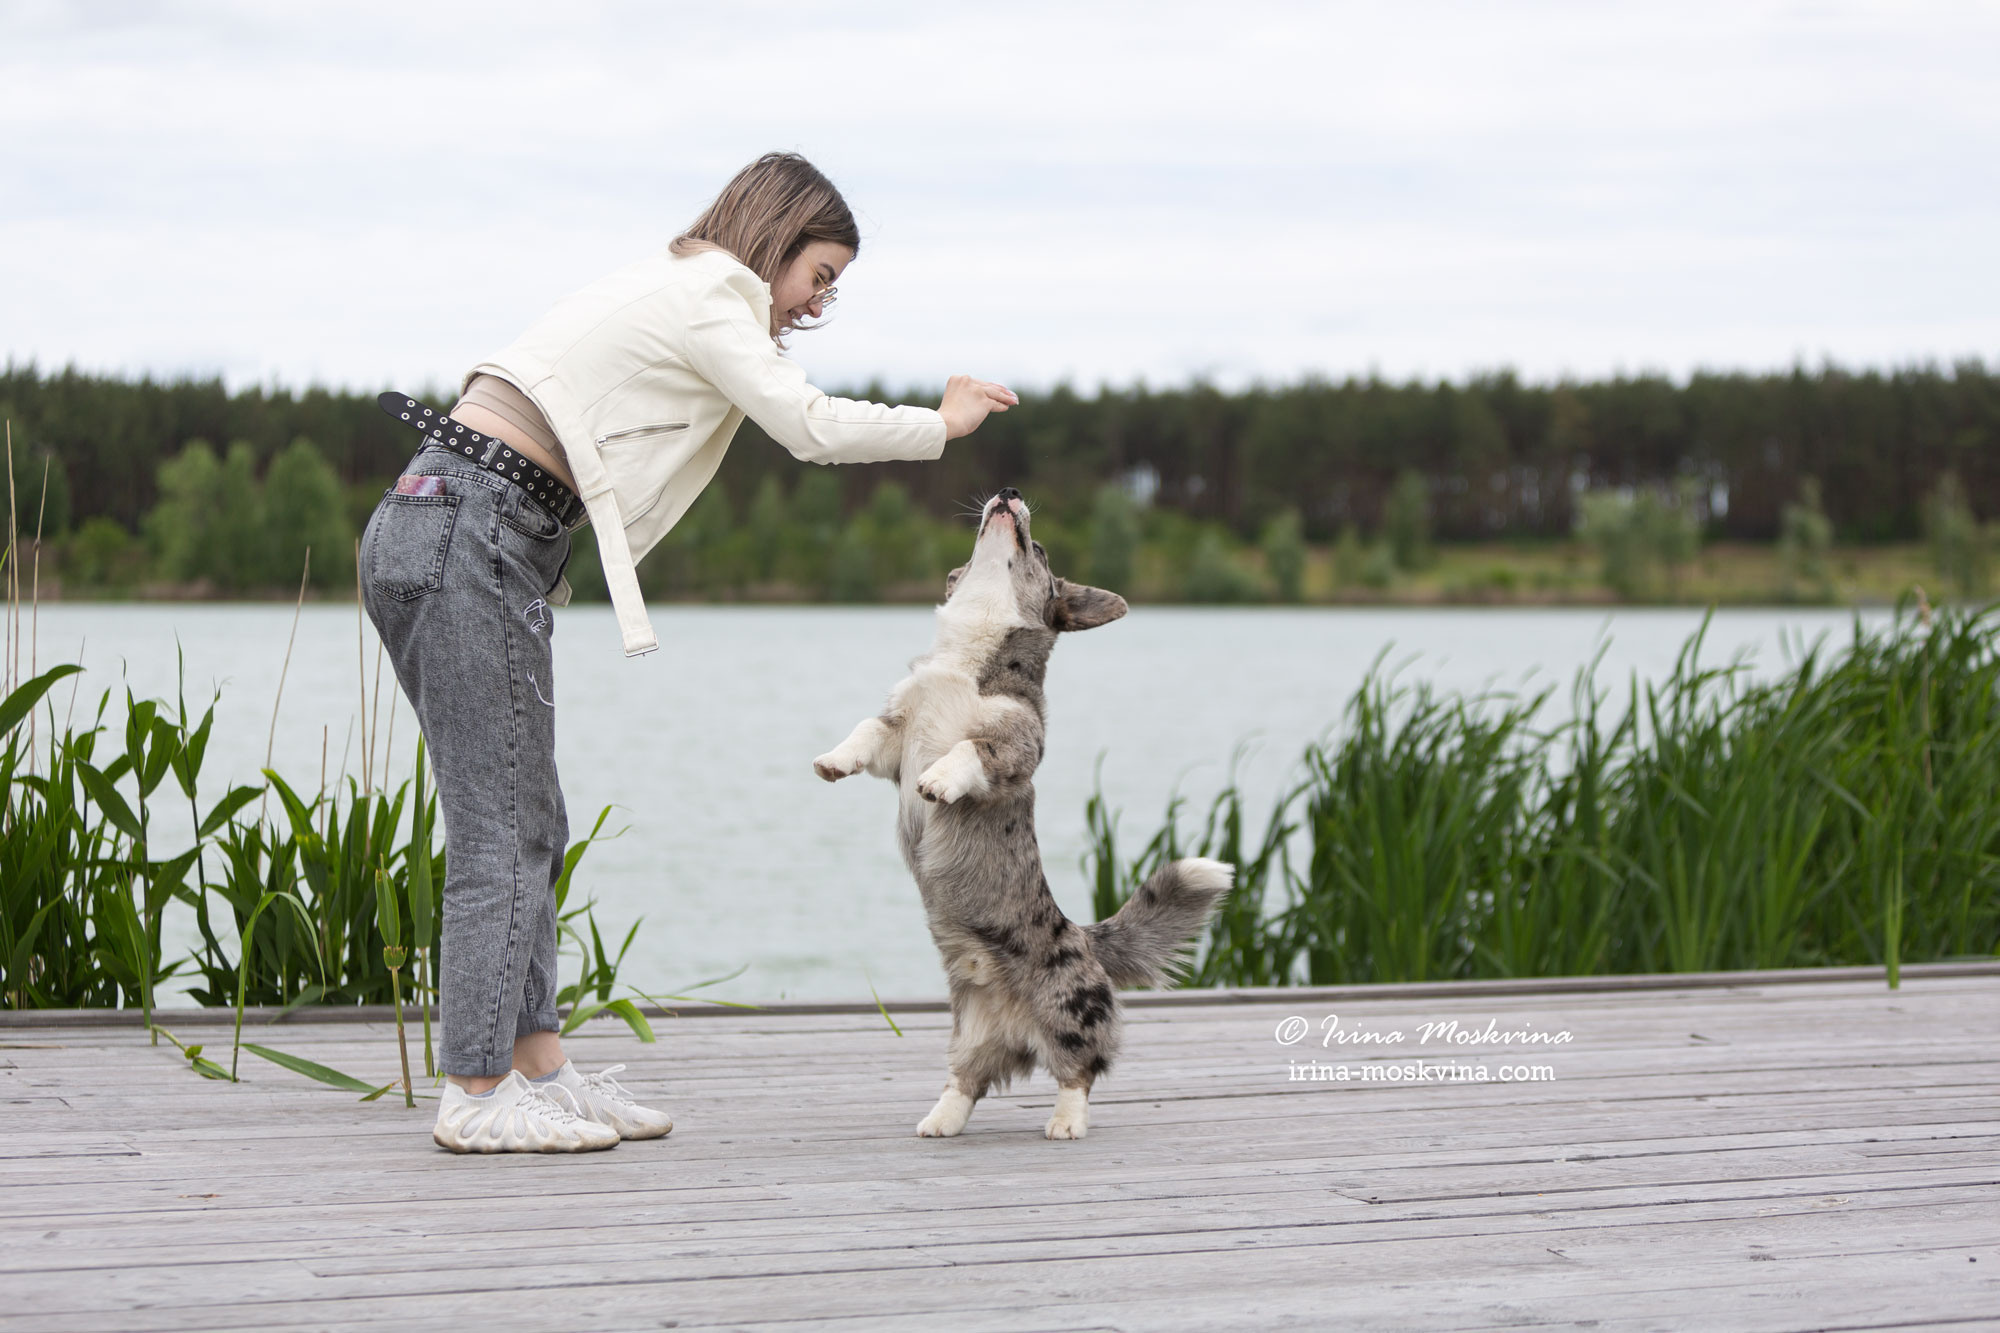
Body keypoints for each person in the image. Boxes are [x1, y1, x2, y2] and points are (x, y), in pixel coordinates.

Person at [359, 152, 1016, 1153]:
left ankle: (537, 1066)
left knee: (531, 817)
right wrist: (941, 422)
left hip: (455, 524)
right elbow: (804, 423)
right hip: (468, 529)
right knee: (503, 827)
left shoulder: (678, 289)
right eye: (820, 274)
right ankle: (476, 1092)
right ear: (775, 238)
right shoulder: (714, 290)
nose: (815, 303)